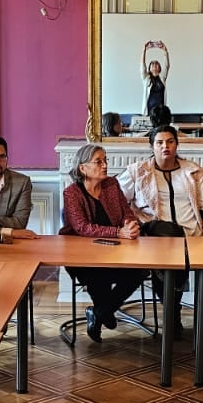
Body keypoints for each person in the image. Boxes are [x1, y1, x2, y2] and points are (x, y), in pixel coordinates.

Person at [119, 124, 203, 329]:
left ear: (176, 145)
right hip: (157, 237)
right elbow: (115, 200)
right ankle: (173, 312)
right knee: (171, 250)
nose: (165, 146)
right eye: (160, 142)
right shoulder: (138, 172)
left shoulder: (193, 172)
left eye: (170, 142)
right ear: (152, 146)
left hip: (196, 234)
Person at [61, 142, 147, 342]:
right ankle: (104, 313)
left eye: (105, 160)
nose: (105, 165)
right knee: (97, 275)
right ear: (83, 168)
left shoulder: (112, 185)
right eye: (98, 162)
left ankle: (99, 313)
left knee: (139, 272)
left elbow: (126, 213)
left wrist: (130, 225)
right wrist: (119, 232)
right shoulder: (72, 193)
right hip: (81, 255)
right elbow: (82, 227)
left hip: (115, 251)